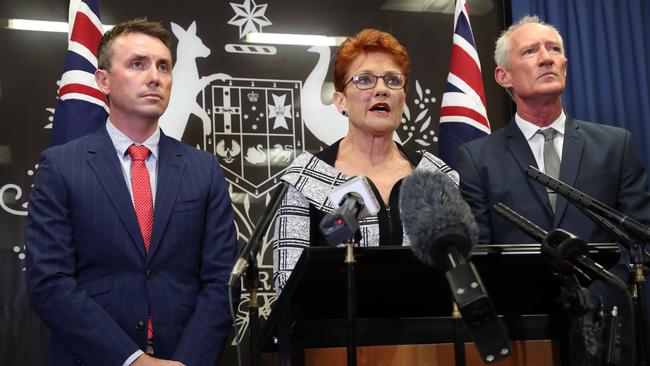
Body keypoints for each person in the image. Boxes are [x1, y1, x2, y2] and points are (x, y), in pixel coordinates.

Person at [25, 18, 238, 366]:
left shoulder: (204, 169)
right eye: (138, 64)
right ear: (103, 81)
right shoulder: (61, 166)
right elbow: (50, 282)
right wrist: (134, 360)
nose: (154, 76)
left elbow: (222, 280)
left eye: (163, 66)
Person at [455, 15, 650, 365]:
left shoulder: (615, 145)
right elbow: (480, 252)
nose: (546, 57)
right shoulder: (477, 158)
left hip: (609, 332)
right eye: (530, 51)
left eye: (554, 49)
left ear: (565, 66)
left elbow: (637, 240)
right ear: (504, 76)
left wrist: (599, 298)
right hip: (526, 334)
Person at [272, 28, 458, 293]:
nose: (381, 89)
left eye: (393, 81)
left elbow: (459, 273)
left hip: (426, 331)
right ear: (340, 101)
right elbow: (287, 284)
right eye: (364, 80)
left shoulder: (438, 178)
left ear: (403, 98)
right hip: (335, 330)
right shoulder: (305, 179)